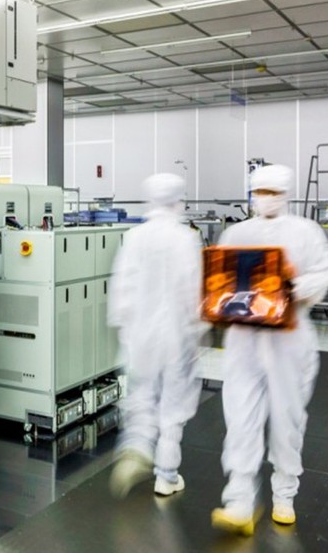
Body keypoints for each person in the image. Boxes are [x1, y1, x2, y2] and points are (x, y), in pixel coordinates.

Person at [212, 165, 328, 535]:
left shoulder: (305, 231)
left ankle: (284, 495)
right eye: (259, 191)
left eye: (272, 191)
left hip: (288, 340)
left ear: (284, 193)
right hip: (244, 340)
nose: (265, 198)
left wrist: (292, 287)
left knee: (287, 419)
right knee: (240, 417)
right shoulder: (237, 233)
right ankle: (239, 501)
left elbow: (326, 270)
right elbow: (219, 278)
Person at [108, 173, 205, 498]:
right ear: (178, 201)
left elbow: (122, 287)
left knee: (142, 395)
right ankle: (166, 476)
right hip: (175, 334)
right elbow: (191, 290)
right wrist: (198, 330)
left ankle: (136, 447)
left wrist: (126, 329)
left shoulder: (135, 236)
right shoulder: (185, 238)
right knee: (173, 404)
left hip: (140, 334)